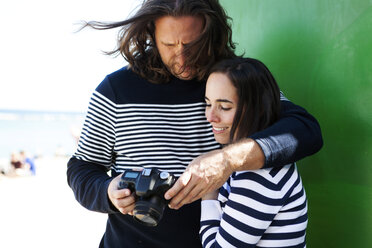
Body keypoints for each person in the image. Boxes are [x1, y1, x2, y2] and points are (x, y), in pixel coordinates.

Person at [66, 0, 322, 247]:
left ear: (211, 35)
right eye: (169, 44)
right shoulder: (115, 91)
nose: (182, 57)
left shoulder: (230, 81)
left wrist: (227, 160)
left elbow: (305, 131)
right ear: (151, 36)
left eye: (192, 44)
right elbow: (82, 168)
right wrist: (108, 191)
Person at [200, 57, 308, 247]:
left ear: (257, 109)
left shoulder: (257, 176)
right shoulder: (256, 163)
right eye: (208, 104)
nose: (210, 117)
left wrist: (208, 194)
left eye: (224, 107)